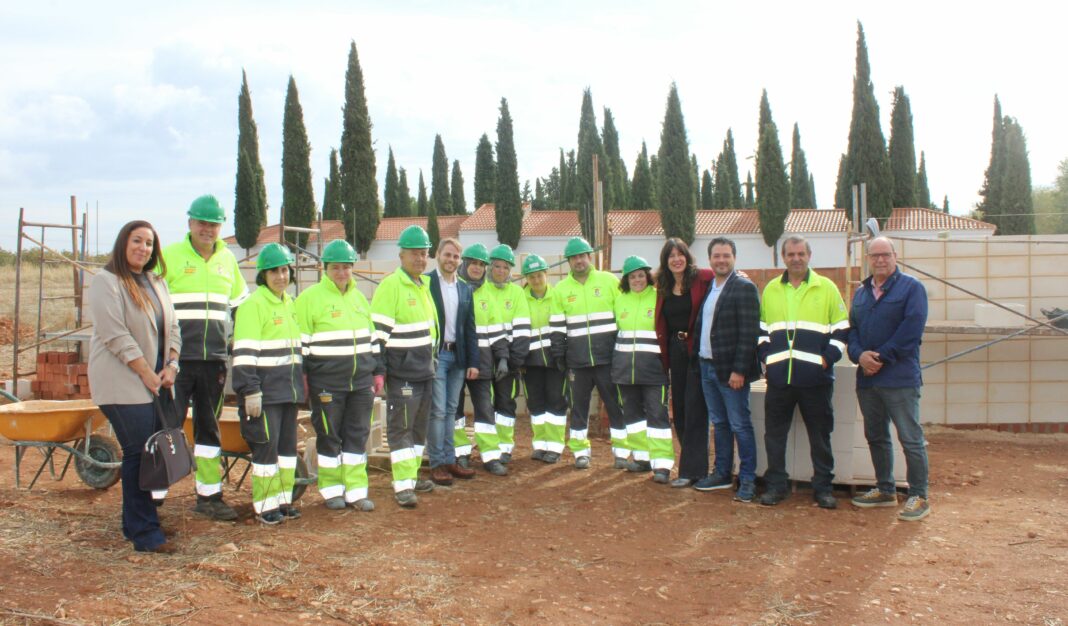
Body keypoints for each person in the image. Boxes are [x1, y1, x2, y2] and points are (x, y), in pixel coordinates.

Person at [88, 220, 182, 553]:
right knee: (139, 452)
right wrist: (145, 371)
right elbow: (116, 335)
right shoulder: (107, 282)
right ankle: (145, 533)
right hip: (122, 381)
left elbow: (173, 325)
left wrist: (171, 364)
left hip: (155, 381)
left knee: (148, 451)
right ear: (123, 243)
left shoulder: (156, 281)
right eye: (137, 240)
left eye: (149, 243)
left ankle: (135, 523)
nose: (143, 248)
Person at [162, 195, 248, 522]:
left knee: (208, 428)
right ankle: (154, 497)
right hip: (175, 361)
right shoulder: (168, 257)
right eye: (202, 222)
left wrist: (240, 340)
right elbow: (149, 302)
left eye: (213, 224)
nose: (207, 229)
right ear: (190, 223)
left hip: (213, 361)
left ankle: (209, 497)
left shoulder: (228, 261)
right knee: (167, 426)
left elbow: (242, 304)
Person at [757, 235, 849, 509]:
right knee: (774, 436)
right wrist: (766, 358)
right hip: (779, 379)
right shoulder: (772, 289)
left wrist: (827, 360)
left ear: (809, 256)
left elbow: (841, 329)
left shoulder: (827, 288)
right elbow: (762, 330)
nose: (795, 259)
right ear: (782, 258)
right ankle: (776, 486)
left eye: (800, 254)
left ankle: (823, 488)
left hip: (816, 380)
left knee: (819, 436)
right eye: (790, 254)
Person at [295, 239, 383, 512]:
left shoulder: (358, 299)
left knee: (357, 434)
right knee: (329, 434)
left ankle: (356, 491)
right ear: (325, 269)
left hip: (359, 382)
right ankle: (332, 490)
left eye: (346, 267)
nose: (342, 273)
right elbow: (300, 346)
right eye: (336, 268)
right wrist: (304, 379)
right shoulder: (309, 299)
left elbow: (373, 340)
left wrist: (377, 371)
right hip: (327, 382)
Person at [848, 237, 931, 521]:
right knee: (876, 436)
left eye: (886, 255)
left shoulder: (912, 288)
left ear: (895, 256)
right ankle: (885, 489)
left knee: (910, 438)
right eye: (875, 255)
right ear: (869, 259)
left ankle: (918, 495)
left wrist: (880, 358)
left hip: (899, 378)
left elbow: (911, 331)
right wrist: (860, 356)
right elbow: (853, 330)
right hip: (868, 379)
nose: (881, 260)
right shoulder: (861, 293)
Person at [232, 243, 305, 524]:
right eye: (273, 271)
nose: (280, 276)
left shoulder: (289, 304)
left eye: (284, 270)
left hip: (288, 392)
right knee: (266, 449)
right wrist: (250, 390)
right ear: (263, 275)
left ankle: (283, 500)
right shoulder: (254, 306)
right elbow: (244, 353)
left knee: (287, 451)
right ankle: (264, 506)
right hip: (265, 394)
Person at [370, 225, 439, 507]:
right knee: (402, 427)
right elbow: (377, 335)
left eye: (424, 254)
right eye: (415, 254)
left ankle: (410, 478)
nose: (420, 259)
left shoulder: (422, 286)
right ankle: (402, 486)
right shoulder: (391, 286)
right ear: (401, 255)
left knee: (419, 428)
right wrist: (379, 370)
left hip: (425, 370)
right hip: (403, 374)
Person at [690, 237, 762, 502]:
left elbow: (749, 333)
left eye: (726, 255)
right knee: (719, 424)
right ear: (710, 259)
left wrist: (739, 370)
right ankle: (721, 473)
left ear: (734, 257)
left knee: (739, 425)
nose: (721, 260)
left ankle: (747, 480)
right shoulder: (711, 286)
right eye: (716, 256)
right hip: (707, 366)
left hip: (731, 371)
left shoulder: (743, 287)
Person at [549, 236, 626, 469]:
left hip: (607, 360)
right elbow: (557, 326)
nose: (579, 261)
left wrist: (621, 354)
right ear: (568, 262)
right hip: (577, 363)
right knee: (579, 410)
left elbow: (623, 318)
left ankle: (622, 452)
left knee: (615, 406)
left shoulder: (609, 281)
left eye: (582, 256)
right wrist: (560, 356)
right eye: (574, 257)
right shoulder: (561, 289)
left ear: (589, 257)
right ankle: (581, 453)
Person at [653, 238, 714, 487]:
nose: (676, 259)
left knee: (695, 408)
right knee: (678, 409)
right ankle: (693, 466)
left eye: (680, 254)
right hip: (674, 350)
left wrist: (738, 273)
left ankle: (693, 471)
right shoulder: (663, 285)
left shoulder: (703, 277)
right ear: (665, 262)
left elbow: (726, 275)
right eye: (671, 256)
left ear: (687, 257)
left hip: (696, 349)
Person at [612, 256, 673, 483]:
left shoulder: (659, 298)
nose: (637, 280)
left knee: (657, 415)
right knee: (633, 416)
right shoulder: (619, 300)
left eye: (640, 275)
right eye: (632, 276)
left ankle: (663, 464)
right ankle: (641, 458)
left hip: (653, 370)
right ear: (626, 280)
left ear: (647, 276)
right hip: (625, 370)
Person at [425, 238, 478, 486]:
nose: (451, 260)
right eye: (447, 255)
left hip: (457, 357)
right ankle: (436, 463)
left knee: (450, 410)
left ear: (460, 260)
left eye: (456, 257)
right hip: (436, 356)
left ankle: (449, 460)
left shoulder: (465, 289)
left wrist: (473, 362)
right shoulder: (426, 284)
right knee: (437, 411)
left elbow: (470, 328)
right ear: (437, 254)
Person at [482, 244, 531, 464]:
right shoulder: (482, 290)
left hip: (508, 361)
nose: (500, 271)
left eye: (505, 267)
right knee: (485, 404)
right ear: (490, 267)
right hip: (485, 358)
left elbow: (522, 331)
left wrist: (512, 363)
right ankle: (489, 448)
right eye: (497, 266)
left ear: (510, 270)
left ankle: (504, 447)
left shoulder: (517, 293)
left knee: (506, 403)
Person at [520, 254, 568, 464]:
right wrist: (519, 359)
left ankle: (555, 446)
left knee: (556, 402)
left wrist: (562, 356)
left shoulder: (557, 296)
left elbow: (564, 328)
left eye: (539, 276)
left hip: (553, 361)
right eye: (532, 277)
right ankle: (540, 444)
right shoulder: (520, 299)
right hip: (531, 363)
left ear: (546, 275)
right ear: (527, 279)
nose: (536, 280)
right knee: (536, 403)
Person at [452, 243, 491, 470]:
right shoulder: (454, 288)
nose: (477, 268)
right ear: (464, 264)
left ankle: (489, 454)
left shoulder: (491, 293)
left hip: (482, 361)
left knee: (484, 407)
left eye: (481, 264)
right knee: (455, 409)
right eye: (472, 263)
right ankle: (460, 453)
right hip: (456, 359)